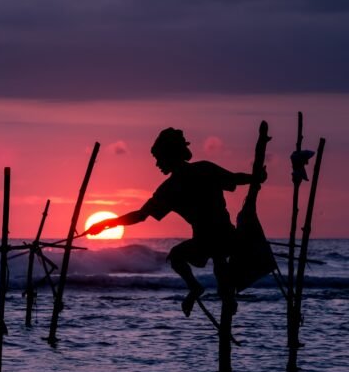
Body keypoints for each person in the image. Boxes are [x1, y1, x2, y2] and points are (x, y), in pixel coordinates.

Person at [87, 128, 265, 316]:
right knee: (206, 261)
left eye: (159, 158)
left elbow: (140, 215)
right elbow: (235, 179)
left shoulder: (173, 187)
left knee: (184, 257)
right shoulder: (194, 174)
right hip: (216, 239)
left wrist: (106, 223)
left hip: (219, 238)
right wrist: (106, 223)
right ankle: (215, 294)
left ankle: (205, 291)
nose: (157, 164)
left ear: (170, 156)